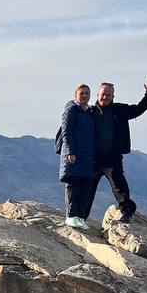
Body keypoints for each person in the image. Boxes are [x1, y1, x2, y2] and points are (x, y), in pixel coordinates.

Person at [87, 78, 147, 224]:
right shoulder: (89, 112)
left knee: (119, 187)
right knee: (86, 190)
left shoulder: (120, 110)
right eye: (103, 94)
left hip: (112, 159)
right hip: (92, 159)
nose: (105, 97)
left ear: (113, 97)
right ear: (97, 95)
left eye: (108, 95)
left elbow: (140, 108)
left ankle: (127, 212)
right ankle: (81, 217)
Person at [55, 84, 96, 230]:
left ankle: (80, 217)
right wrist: (70, 152)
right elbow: (67, 132)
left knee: (85, 186)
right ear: (76, 95)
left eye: (87, 93)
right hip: (74, 154)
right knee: (74, 184)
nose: (85, 95)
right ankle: (71, 216)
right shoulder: (71, 109)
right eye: (82, 93)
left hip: (87, 155)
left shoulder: (90, 112)